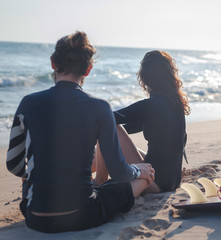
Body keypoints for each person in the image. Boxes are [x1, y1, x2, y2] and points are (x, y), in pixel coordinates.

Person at [6, 31, 155, 233]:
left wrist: (31, 172)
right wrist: (139, 170)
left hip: (34, 216)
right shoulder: (99, 108)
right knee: (129, 183)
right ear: (88, 69)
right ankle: (144, 176)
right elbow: (120, 173)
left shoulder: (28, 103)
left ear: (53, 63)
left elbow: (14, 165)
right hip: (82, 214)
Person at [94, 50, 190, 193]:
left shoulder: (151, 105)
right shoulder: (175, 104)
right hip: (172, 181)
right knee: (116, 140)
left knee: (109, 126)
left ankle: (99, 180)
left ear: (145, 78)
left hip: (153, 181)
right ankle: (85, 168)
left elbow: (107, 118)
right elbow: (133, 127)